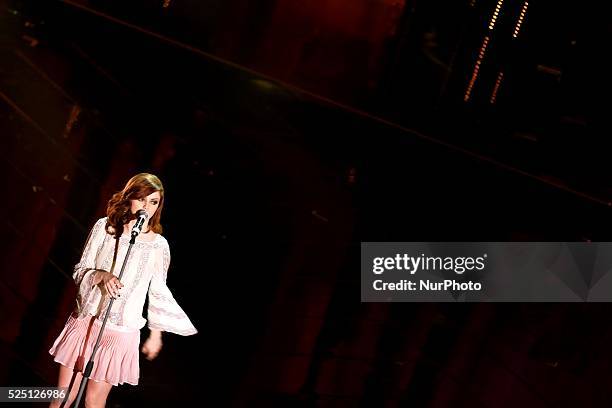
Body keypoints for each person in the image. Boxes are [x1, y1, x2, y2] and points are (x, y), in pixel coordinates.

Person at [48, 173, 197, 408]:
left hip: (120, 333)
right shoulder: (105, 228)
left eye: (153, 202)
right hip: (88, 323)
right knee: (63, 397)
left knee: (94, 401)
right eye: (141, 199)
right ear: (129, 198)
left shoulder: (159, 246)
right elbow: (80, 271)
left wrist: (156, 334)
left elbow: (158, 290)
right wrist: (100, 275)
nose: (146, 207)